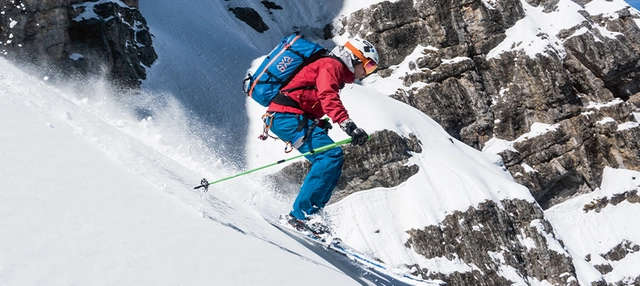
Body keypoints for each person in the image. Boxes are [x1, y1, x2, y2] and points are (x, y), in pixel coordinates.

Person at [264, 36, 380, 230]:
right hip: (285, 118)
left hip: (290, 117)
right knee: (329, 156)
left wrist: (316, 121)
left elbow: (309, 97)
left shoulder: (333, 68)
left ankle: (311, 214)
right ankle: (301, 216)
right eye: (368, 66)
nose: (366, 73)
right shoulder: (330, 65)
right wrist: (348, 125)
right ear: (355, 57)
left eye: (371, 70)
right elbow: (327, 96)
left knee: (333, 158)